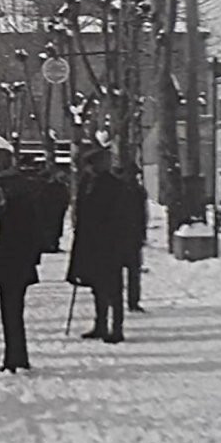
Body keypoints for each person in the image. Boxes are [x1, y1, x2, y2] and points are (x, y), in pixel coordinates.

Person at [67, 146, 128, 343]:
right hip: (91, 243)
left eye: (91, 166)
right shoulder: (86, 184)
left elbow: (119, 218)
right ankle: (100, 324)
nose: (88, 169)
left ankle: (116, 328)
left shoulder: (114, 186)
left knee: (113, 287)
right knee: (98, 286)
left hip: (109, 244)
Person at [0, 171, 43, 373]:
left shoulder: (16, 208)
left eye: (1, 187)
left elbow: (16, 239)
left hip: (11, 268)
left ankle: (13, 359)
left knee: (11, 314)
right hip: (17, 268)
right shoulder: (21, 205)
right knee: (13, 314)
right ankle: (17, 356)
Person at [120, 162, 148, 312]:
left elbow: (142, 215)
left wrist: (142, 233)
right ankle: (123, 299)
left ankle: (133, 300)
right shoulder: (119, 190)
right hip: (122, 235)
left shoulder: (138, 191)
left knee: (133, 271)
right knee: (127, 271)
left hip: (132, 235)